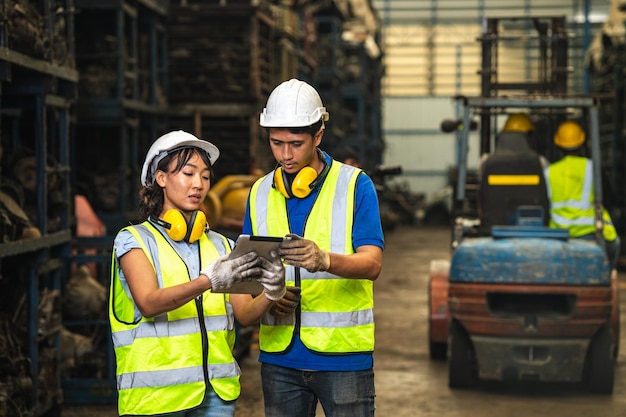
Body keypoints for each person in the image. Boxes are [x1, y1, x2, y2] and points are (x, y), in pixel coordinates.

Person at [109, 130, 286, 417]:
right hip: (156, 398)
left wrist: (271, 293)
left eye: (205, 176)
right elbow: (149, 303)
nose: (199, 184)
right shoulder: (133, 240)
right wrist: (209, 281)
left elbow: (244, 315)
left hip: (215, 395)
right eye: (188, 173)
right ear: (161, 178)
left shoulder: (223, 245)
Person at [242, 78, 384, 417]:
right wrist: (268, 300)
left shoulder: (355, 186)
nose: (285, 155)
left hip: (343, 360)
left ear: (318, 136)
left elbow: (372, 264)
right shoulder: (260, 192)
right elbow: (246, 280)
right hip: (279, 361)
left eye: (295, 143)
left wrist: (325, 259)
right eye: (276, 144)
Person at [544, 120, 621, 268]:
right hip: (590, 233)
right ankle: (605, 277)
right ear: (582, 143)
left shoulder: (549, 171)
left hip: (559, 234)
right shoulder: (592, 168)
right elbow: (609, 199)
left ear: (558, 145)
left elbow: (543, 202)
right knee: (615, 244)